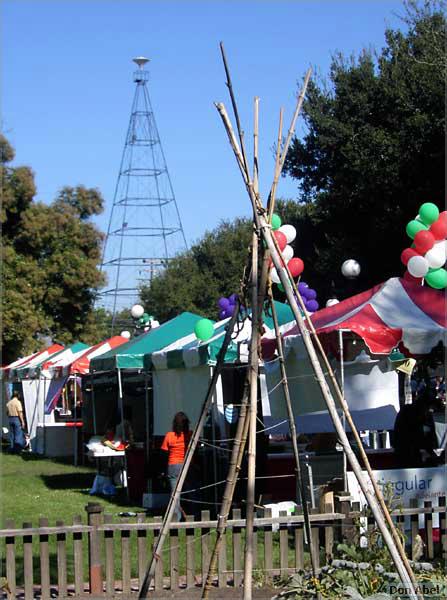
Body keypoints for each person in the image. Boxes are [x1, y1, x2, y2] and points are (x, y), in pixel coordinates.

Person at [161, 412, 193, 520]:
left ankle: (176, 518)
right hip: (186, 465)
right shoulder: (190, 435)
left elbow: (164, 453)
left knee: (175, 495)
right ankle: (193, 513)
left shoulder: (169, 436)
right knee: (190, 491)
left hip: (173, 465)